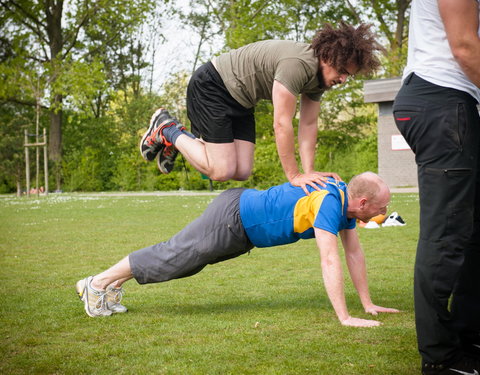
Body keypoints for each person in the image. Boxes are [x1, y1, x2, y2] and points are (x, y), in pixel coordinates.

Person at [76, 172, 399, 326]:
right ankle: (98, 283)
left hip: (241, 227)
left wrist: (368, 304)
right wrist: (344, 317)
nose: (385, 210)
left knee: (182, 263)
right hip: (233, 218)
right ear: (363, 202)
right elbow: (330, 259)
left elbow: (353, 254)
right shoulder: (331, 203)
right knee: (174, 256)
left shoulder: (345, 206)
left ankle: (110, 284)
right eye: (383, 205)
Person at [139, 23, 384, 194]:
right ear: (329, 57)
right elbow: (282, 124)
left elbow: (308, 125)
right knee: (221, 170)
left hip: (241, 101)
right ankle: (167, 128)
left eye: (348, 76)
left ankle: (175, 140)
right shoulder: (297, 65)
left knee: (242, 170)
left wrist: (310, 174)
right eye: (342, 72)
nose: (342, 79)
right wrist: (294, 176)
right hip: (213, 86)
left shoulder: (318, 81)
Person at [393, 0, 480, 374]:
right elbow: (463, 47)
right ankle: (440, 356)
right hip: (442, 100)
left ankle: (467, 333)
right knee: (446, 232)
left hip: (453, 103)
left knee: (472, 228)